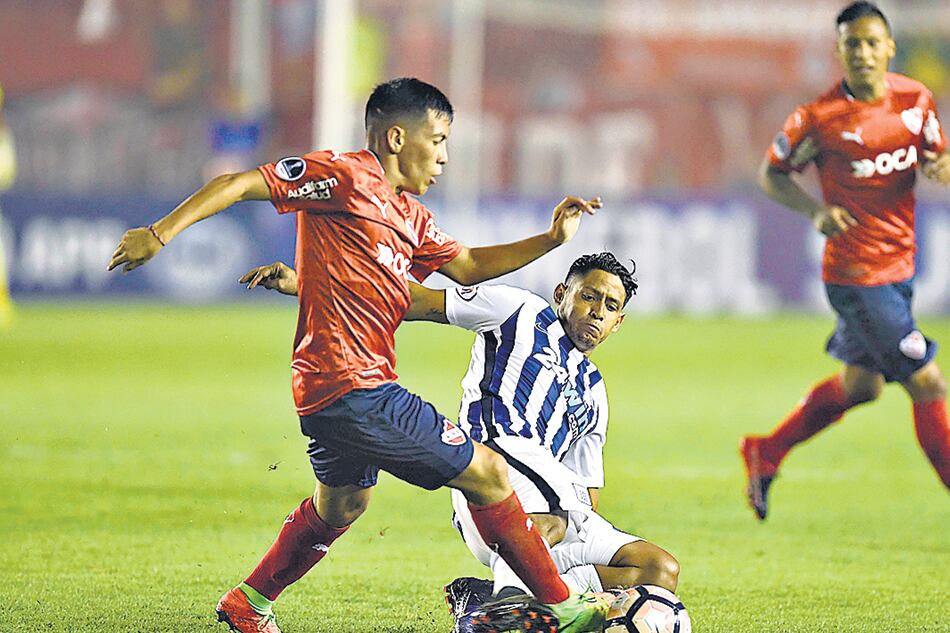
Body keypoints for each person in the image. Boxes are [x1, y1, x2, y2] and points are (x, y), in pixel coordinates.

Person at [108, 78, 611, 633]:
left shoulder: (411, 218)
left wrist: (550, 240)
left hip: (334, 395)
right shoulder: (343, 177)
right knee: (490, 474)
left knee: (344, 506)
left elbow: (465, 265)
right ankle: (562, 606)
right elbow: (239, 183)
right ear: (397, 137)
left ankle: (248, 603)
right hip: (356, 389)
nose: (444, 156)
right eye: (438, 139)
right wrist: (160, 232)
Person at [243, 253, 681, 633]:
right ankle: (507, 610)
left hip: (555, 506)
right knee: (553, 516)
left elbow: (586, 489)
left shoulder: (595, 391)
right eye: (589, 296)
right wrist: (307, 283)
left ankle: (501, 599)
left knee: (658, 571)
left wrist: (583, 547)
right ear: (562, 292)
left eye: (610, 306)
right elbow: (417, 301)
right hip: (495, 464)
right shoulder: (520, 311)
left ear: (619, 322)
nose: (597, 311)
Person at [741, 1, 950, 521]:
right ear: (839, 51)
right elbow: (772, 174)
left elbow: (932, 154)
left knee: (862, 385)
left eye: (871, 42)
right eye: (851, 43)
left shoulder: (916, 100)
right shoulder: (820, 118)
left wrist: (941, 164)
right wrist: (814, 211)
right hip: (856, 275)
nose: (862, 52)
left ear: (889, 47)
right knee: (927, 382)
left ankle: (766, 449)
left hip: (899, 269)